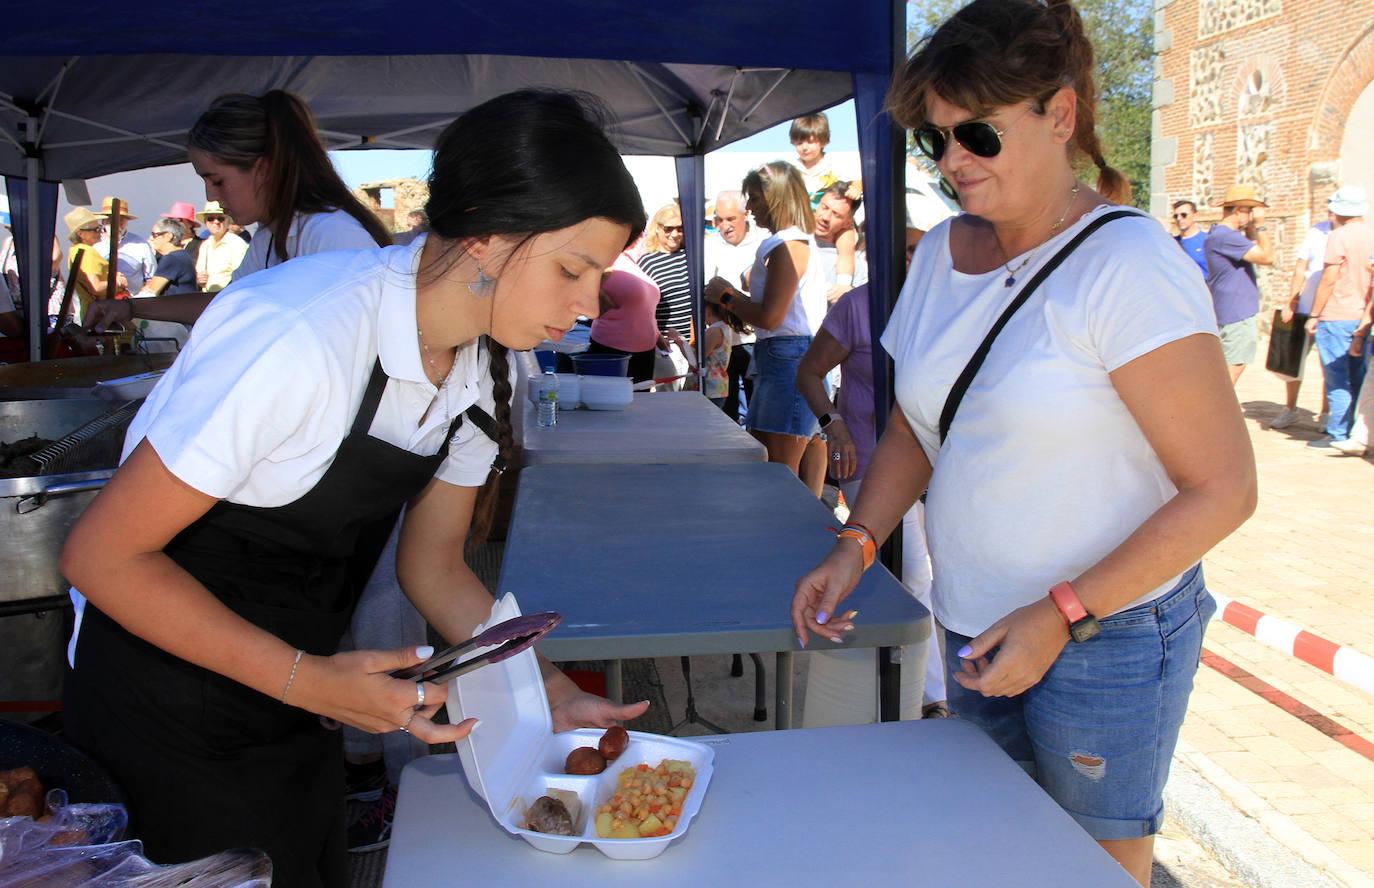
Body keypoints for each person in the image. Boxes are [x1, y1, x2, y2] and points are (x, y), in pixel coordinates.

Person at [60, 88, 651, 887]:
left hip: (299, 695)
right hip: (162, 706)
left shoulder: (474, 367)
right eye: (571, 269)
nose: (588, 305)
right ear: (483, 236)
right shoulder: (302, 335)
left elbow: (434, 569)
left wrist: (544, 689)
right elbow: (100, 557)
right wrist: (308, 680)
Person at [790, 2, 1257, 884]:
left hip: (1105, 635)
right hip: (975, 622)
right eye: (937, 142)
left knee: (1093, 864)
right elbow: (913, 428)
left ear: (1062, 115)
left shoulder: (1128, 264)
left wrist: (1064, 612)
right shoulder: (938, 258)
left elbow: (1225, 488)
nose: (954, 162)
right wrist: (855, 543)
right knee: (994, 845)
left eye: (979, 135)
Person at [84, 91, 389, 333]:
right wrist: (131, 308)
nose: (211, 197)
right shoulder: (269, 237)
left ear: (264, 169)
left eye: (217, 180)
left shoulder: (331, 234)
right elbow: (230, 303)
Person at [705, 161, 827, 477]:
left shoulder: (789, 244)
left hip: (788, 356)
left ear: (777, 198)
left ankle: (797, 525)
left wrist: (727, 296)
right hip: (783, 355)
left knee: (779, 470)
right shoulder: (788, 242)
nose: (750, 207)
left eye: (755, 198)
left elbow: (771, 317)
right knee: (777, 459)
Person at [1305, 185, 1374, 448]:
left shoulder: (1338, 236)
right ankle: (1359, 431)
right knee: (1360, 376)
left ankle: (1339, 432)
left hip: (1337, 313)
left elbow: (1330, 278)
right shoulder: (1371, 234)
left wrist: (1315, 313)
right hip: (1363, 314)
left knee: (1336, 376)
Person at [1203, 184, 1275, 384]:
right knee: (1231, 371)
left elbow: (1254, 249)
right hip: (1237, 314)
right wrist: (1260, 225)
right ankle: (1214, 413)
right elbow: (1267, 256)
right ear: (1237, 211)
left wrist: (1251, 228)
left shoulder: (1219, 235)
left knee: (1226, 369)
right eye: (1249, 210)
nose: (1251, 215)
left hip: (1229, 311)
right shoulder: (1227, 237)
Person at [1271, 209, 1333, 430]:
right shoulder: (1317, 231)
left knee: (1329, 365)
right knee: (1292, 360)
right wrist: (1292, 301)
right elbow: (1300, 268)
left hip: (1332, 311)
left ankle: (1326, 413)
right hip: (1306, 306)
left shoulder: (1351, 235)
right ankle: (1290, 408)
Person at [705, 190, 761, 423]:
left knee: (755, 407)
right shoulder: (709, 245)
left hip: (753, 342)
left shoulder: (763, 242)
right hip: (722, 344)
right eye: (718, 219)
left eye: (730, 219)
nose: (724, 225)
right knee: (724, 414)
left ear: (745, 214)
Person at [589, 242, 660, 383]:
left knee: (639, 402)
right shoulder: (603, 257)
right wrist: (599, 298)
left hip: (645, 350)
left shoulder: (629, 260)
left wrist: (657, 334)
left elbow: (644, 307)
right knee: (611, 401)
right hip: (613, 349)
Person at [637, 203, 693, 342]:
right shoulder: (647, 262)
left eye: (680, 228)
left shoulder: (691, 256)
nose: (674, 234)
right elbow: (643, 309)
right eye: (668, 229)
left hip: (696, 342)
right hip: (668, 345)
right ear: (657, 228)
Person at [64, 207, 126, 319]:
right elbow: (95, 287)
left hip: (92, 312)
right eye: (96, 229)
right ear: (81, 233)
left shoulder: (75, 250)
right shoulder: (87, 252)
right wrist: (118, 282)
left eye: (100, 228)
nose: (100, 231)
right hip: (100, 315)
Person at [788, 113, 861, 207]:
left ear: (824, 141)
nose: (804, 147)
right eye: (799, 143)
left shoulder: (836, 165)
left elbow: (858, 181)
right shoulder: (791, 170)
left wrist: (856, 188)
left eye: (810, 142)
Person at [813, 182, 864, 304]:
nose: (825, 217)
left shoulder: (857, 269)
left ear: (848, 223)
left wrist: (847, 291)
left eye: (836, 214)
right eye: (824, 207)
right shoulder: (791, 239)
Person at [94, 197, 158, 294]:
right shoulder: (95, 244)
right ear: (104, 221)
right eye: (111, 219)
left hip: (132, 302)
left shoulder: (140, 244)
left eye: (121, 219)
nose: (117, 224)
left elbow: (151, 278)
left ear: (127, 221)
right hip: (100, 303)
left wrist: (140, 299)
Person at [193, 200, 249, 292]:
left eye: (220, 218)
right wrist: (199, 280)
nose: (216, 222)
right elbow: (199, 275)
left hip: (229, 298)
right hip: (208, 300)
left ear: (228, 221)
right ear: (205, 222)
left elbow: (243, 277)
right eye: (210, 218)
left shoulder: (236, 244)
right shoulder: (205, 245)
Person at [137, 218, 198, 296]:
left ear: (168, 236)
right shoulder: (183, 256)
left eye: (154, 235)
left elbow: (150, 293)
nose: (151, 238)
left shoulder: (172, 258)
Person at [701, 300, 743, 408]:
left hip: (708, 387)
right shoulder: (725, 327)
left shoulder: (713, 331)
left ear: (708, 309)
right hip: (719, 386)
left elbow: (697, 359)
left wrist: (681, 342)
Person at [1171, 199, 1208, 278]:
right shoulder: (1172, 242)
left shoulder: (1207, 240)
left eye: (1183, 215)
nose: (1179, 218)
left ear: (1195, 216)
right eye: (1175, 216)